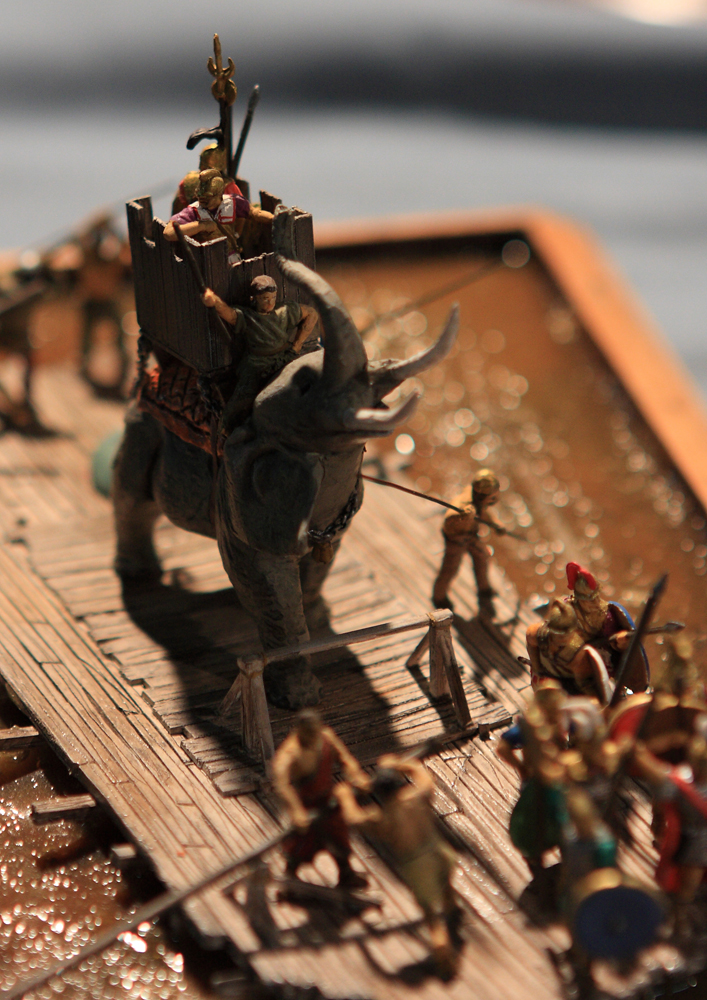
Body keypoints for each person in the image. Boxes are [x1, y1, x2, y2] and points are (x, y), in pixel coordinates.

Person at [335, 754, 459, 979]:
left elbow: (354, 819)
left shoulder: (385, 818)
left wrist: (345, 797)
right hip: (437, 851)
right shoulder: (417, 796)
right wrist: (400, 764)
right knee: (445, 882)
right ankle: (452, 908)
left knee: (430, 914)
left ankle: (442, 949)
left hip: (418, 864)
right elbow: (423, 776)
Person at [201, 274, 319, 436]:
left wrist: (297, 345)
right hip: (257, 363)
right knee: (242, 398)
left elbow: (311, 313)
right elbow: (228, 313)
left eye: (273, 297)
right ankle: (228, 433)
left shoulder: (285, 311)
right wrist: (214, 301)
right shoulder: (248, 317)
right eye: (265, 299)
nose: (270, 303)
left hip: (284, 356)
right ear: (254, 298)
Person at [272, 709, 370, 889]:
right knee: (301, 842)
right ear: (299, 731)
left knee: (338, 836)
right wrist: (296, 811)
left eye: (314, 732)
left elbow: (345, 759)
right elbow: (282, 784)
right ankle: (289, 877)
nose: (312, 738)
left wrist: (356, 776)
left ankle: (346, 874)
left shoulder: (326, 737)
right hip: (306, 804)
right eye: (308, 733)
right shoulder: (290, 752)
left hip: (328, 800)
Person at [563, 562, 648, 692]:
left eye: (596, 597)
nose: (595, 603)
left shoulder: (607, 615)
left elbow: (615, 643)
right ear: (578, 599)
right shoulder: (569, 613)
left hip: (604, 660)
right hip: (577, 661)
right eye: (589, 600)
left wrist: (620, 643)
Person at [431, 468, 506, 612]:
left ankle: (483, 588)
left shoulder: (478, 501)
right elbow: (448, 521)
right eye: (491, 497)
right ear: (482, 496)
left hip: (471, 536)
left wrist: (496, 524)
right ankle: (439, 597)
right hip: (456, 541)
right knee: (450, 569)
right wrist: (463, 517)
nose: (494, 499)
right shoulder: (462, 505)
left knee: (482, 557)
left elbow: (484, 514)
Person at [164, 168, 272, 265]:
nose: (202, 199)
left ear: (219, 194)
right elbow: (168, 233)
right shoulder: (193, 211)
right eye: (200, 195)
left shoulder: (233, 203)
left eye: (207, 196)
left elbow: (255, 213)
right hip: (207, 263)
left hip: (232, 259)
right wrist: (201, 226)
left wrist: (274, 218)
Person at [525, 599, 614, 704]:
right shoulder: (536, 634)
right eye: (556, 633)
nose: (560, 639)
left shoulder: (577, 653)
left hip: (565, 688)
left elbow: (583, 684)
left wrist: (595, 700)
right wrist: (537, 667)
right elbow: (531, 646)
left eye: (564, 635)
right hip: (543, 682)